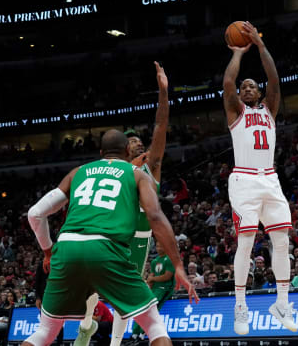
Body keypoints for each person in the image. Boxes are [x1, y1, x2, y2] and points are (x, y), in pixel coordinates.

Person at [22, 129, 198, 346]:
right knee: (154, 325)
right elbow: (154, 215)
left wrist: (48, 252)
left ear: (101, 152)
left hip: (67, 248)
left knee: (45, 332)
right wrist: (178, 264)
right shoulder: (136, 174)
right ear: (126, 150)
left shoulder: (78, 172)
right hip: (106, 247)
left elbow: (35, 213)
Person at [82, 61, 169, 346]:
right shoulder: (112, 169)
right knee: (95, 286)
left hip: (141, 235)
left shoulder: (150, 167)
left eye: (140, 141)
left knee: (126, 292)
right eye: (132, 141)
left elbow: (160, 125)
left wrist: (163, 92)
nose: (138, 143)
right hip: (114, 231)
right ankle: (86, 325)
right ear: (122, 149)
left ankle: (115, 344)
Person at [223, 21, 296, 335]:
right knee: (246, 242)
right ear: (240, 94)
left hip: (270, 179)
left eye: (254, 85)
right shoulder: (235, 111)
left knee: (282, 243)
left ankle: (281, 304)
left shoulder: (270, 108)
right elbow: (227, 82)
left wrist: (261, 46)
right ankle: (240, 306)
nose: (250, 88)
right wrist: (239, 53)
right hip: (244, 181)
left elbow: (275, 81)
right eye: (245, 86)